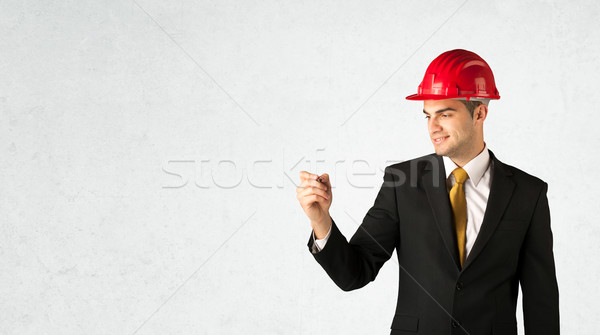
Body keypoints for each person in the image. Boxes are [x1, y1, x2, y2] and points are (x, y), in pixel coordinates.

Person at [296, 49, 559, 335]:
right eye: (428, 116)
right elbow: (355, 273)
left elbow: (540, 301)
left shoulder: (528, 193)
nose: (433, 127)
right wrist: (321, 222)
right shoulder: (402, 182)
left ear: (479, 113)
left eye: (445, 114)